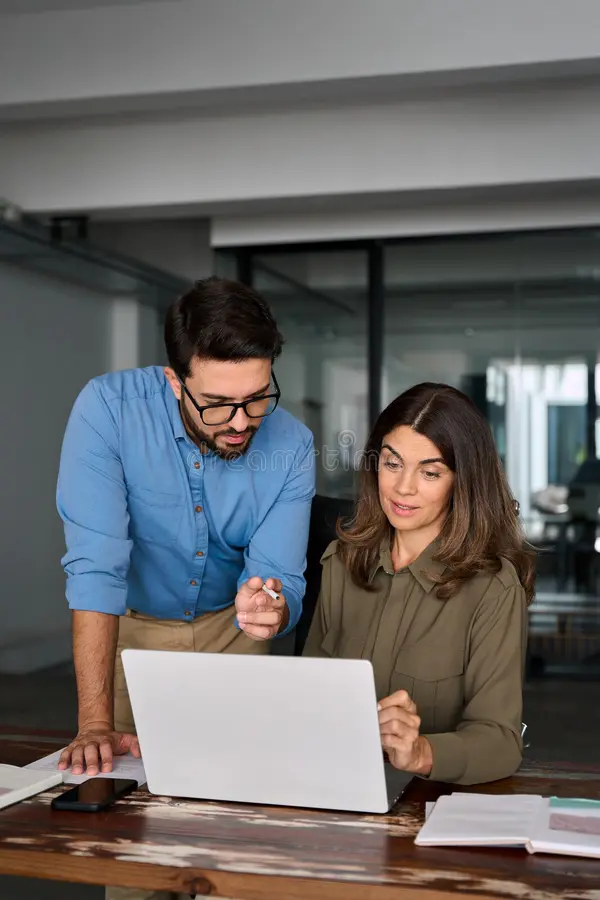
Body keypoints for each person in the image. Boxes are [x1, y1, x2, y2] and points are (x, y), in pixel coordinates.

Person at [56, 277, 315, 779]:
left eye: (258, 398)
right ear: (175, 382)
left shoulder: (294, 444)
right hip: (131, 636)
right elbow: (96, 570)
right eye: (217, 403)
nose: (240, 422)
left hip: (233, 634)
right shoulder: (108, 411)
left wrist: (274, 609)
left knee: (246, 790)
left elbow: (281, 575)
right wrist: (93, 723)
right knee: (129, 803)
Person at [304, 382, 535, 785]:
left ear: (463, 481)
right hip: (334, 793)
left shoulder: (493, 588)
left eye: (430, 472)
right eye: (392, 464)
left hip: (430, 809)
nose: (403, 487)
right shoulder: (341, 562)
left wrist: (423, 752)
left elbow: (500, 741)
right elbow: (305, 698)